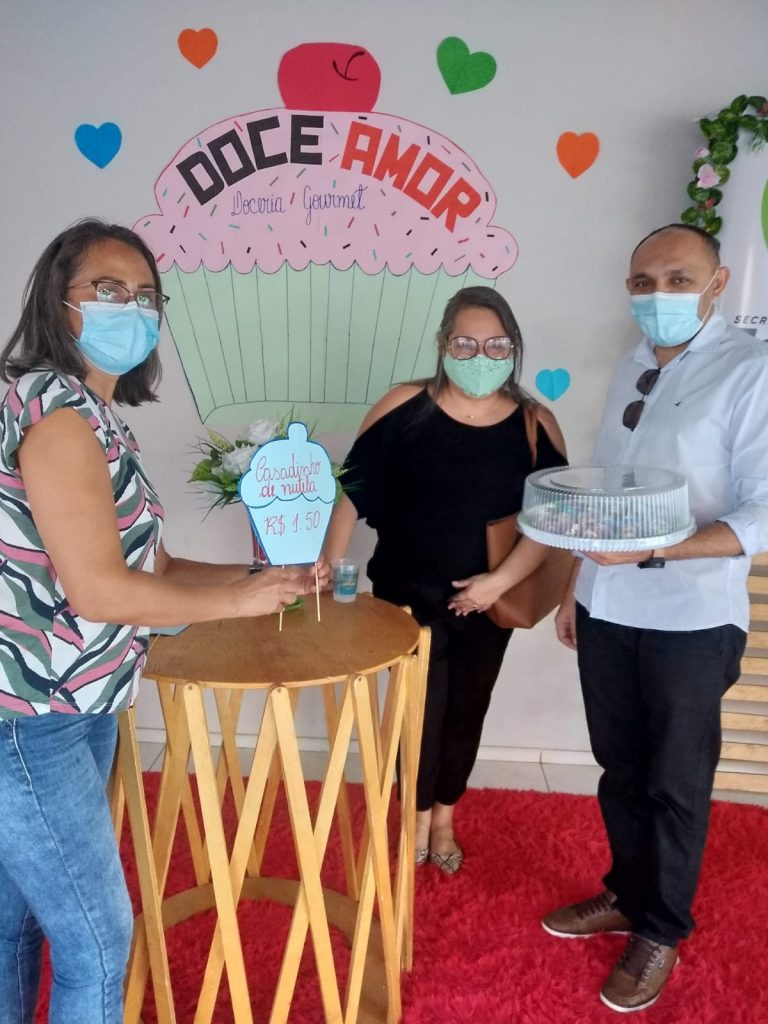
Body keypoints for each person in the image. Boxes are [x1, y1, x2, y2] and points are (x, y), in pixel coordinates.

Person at [0, 219, 328, 1024]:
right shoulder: (58, 415)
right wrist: (238, 602)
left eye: (147, 296)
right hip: (29, 718)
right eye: (108, 289)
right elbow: (101, 592)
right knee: (98, 942)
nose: (132, 308)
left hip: (80, 701)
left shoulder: (96, 413)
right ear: (58, 300)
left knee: (20, 920)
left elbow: (156, 568)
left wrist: (262, 579)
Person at [542, 224, 768, 1013]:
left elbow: (763, 511)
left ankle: (661, 929)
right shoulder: (632, 364)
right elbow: (607, 491)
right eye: (643, 282)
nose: (658, 294)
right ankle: (627, 894)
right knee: (621, 766)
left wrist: (661, 548)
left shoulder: (750, 372)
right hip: (608, 605)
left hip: (692, 616)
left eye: (678, 279)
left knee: (675, 780)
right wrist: (576, 585)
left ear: (718, 283)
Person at [324, 285, 567, 873]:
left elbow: (554, 518)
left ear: (513, 348)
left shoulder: (535, 423)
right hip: (407, 596)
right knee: (419, 714)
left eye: (495, 345)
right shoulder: (404, 406)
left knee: (467, 710)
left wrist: (495, 584)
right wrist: (328, 566)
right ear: (442, 344)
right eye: (465, 343)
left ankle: (444, 820)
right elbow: (352, 491)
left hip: (492, 599)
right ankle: (412, 819)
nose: (480, 356)